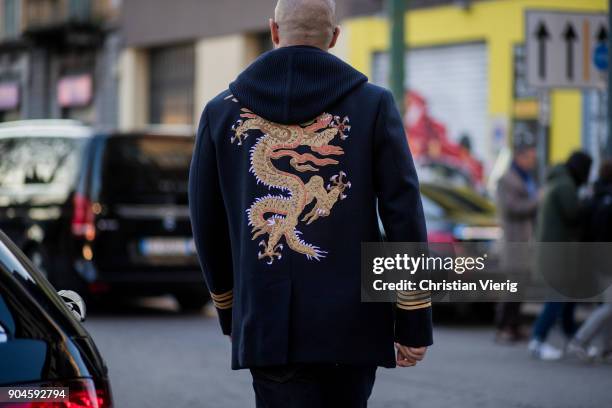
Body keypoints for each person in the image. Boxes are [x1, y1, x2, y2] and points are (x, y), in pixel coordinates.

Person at [188, 0, 433, 406]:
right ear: (334, 37)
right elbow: (404, 215)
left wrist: (231, 309)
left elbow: (207, 222)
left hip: (267, 322)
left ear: (273, 31)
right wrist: (413, 320)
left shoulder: (221, 112)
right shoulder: (372, 105)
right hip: (354, 325)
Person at [528, 151, 592, 360]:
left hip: (553, 249)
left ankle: (573, 337)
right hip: (557, 251)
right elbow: (573, 214)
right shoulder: (565, 184)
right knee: (558, 296)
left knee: (566, 295)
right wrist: (589, 204)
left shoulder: (557, 180)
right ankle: (538, 339)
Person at [567, 160, 612, 362]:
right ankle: (580, 340)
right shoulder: (606, 199)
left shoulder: (593, 196)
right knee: (609, 306)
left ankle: (606, 349)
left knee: (607, 304)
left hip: (595, 258)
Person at [495, 144, 538, 343]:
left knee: (521, 284)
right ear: (519, 157)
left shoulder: (525, 178)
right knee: (511, 285)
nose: (533, 161)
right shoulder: (507, 179)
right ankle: (503, 326)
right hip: (513, 240)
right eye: (529, 157)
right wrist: (537, 200)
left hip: (524, 239)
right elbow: (512, 208)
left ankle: (514, 325)